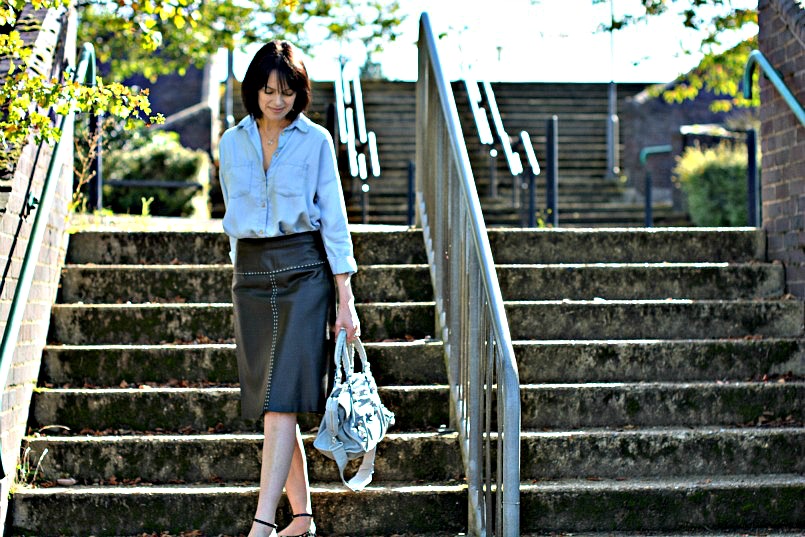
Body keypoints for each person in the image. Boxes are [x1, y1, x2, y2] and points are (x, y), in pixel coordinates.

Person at [218, 40, 360, 537]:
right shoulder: (231, 142)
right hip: (251, 276)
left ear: (300, 93)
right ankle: (301, 519)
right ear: (253, 90)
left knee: (281, 402)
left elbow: (335, 221)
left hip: (304, 272)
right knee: (271, 404)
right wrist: (239, 276)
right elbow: (232, 212)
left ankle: (261, 524)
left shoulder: (316, 140)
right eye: (268, 90)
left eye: (288, 91)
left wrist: (345, 297)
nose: (278, 100)